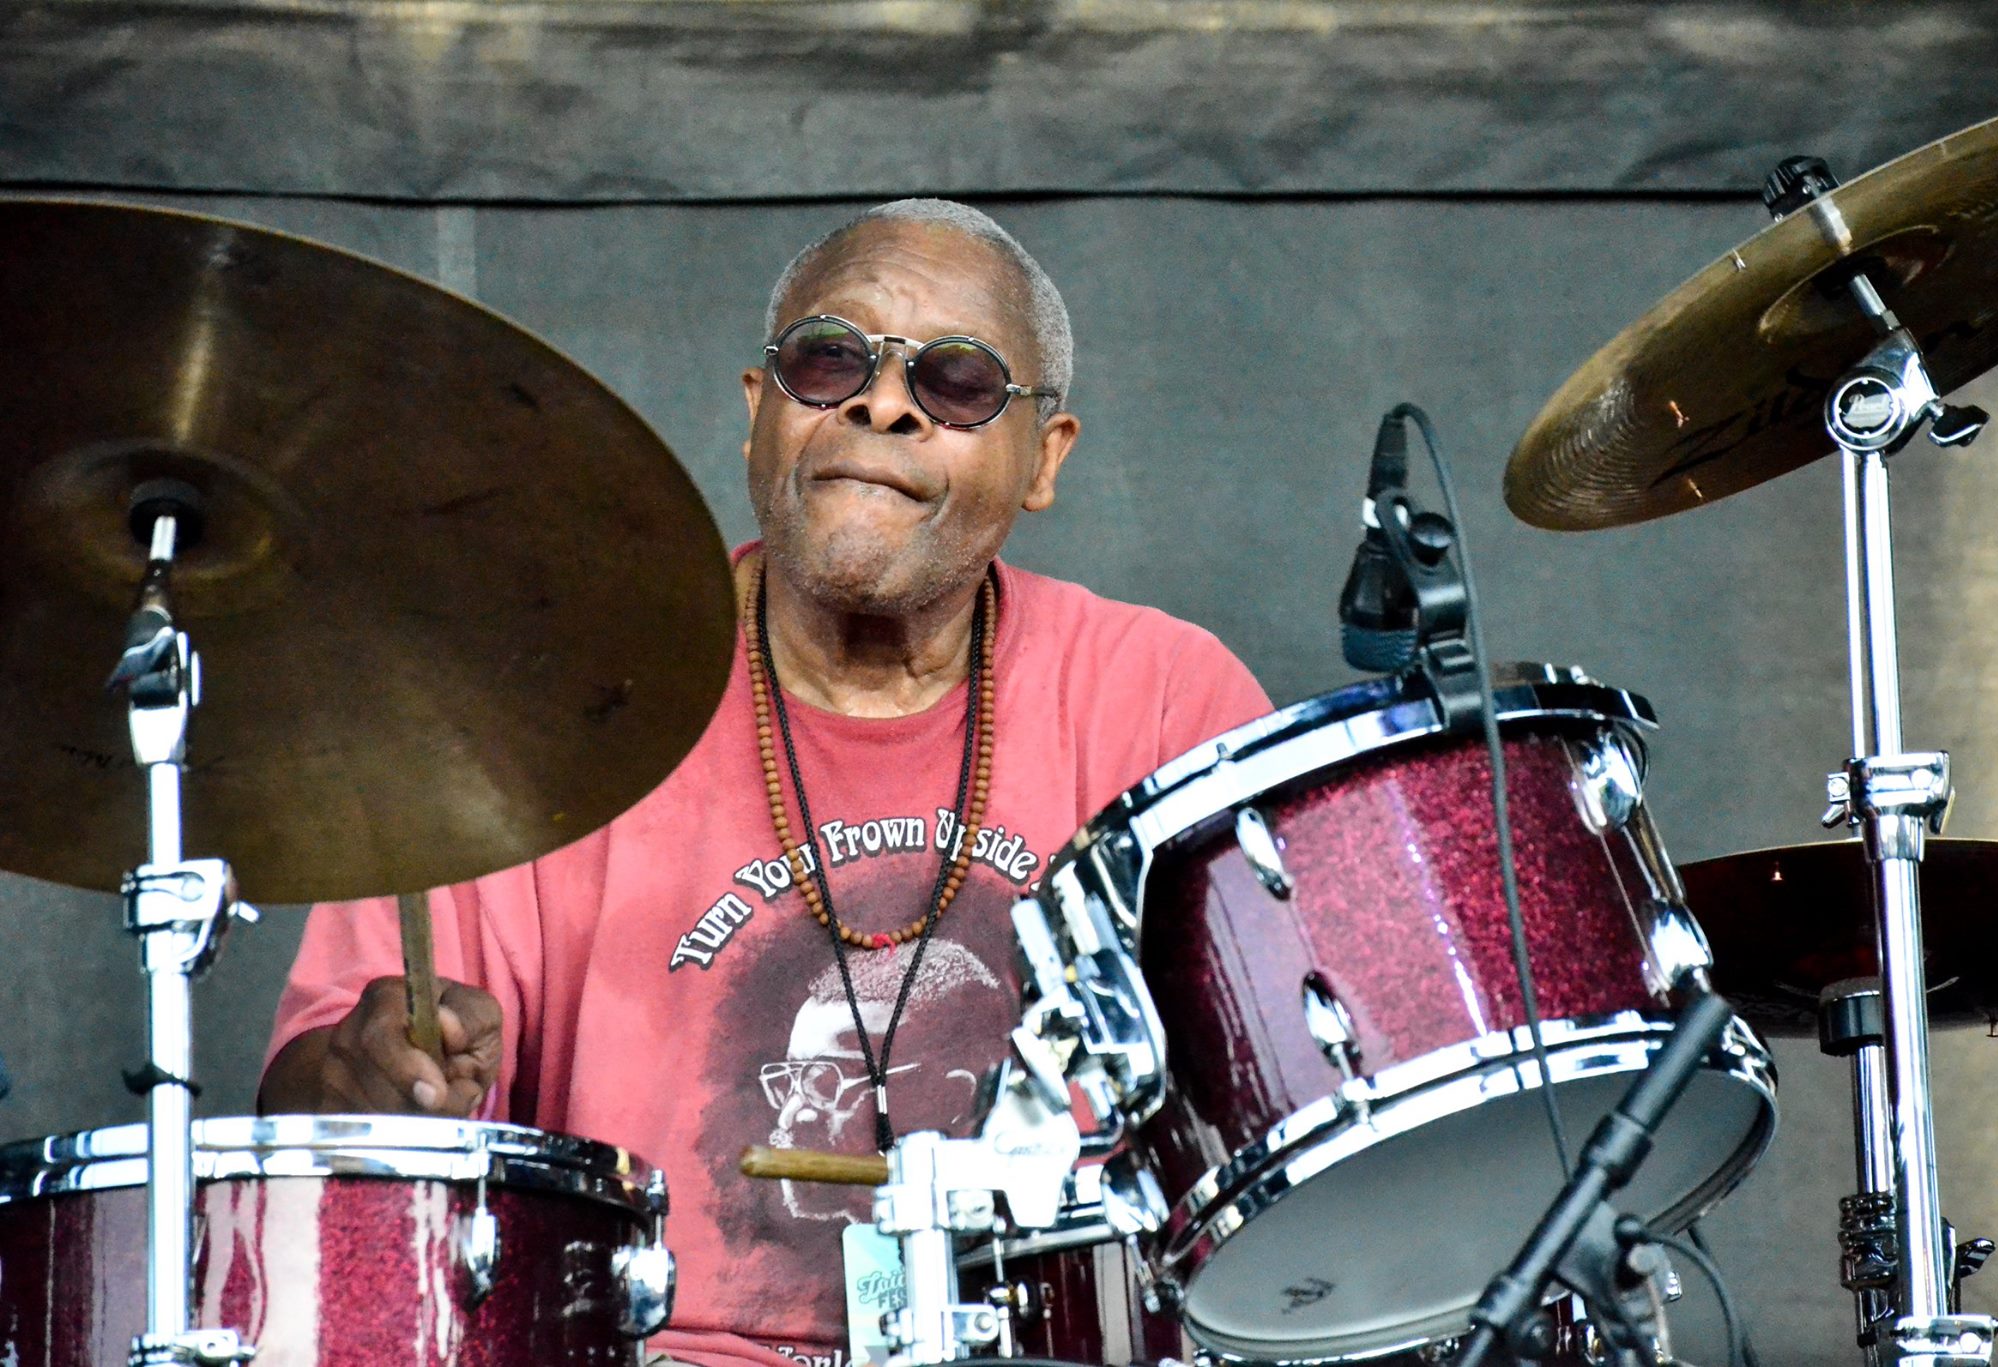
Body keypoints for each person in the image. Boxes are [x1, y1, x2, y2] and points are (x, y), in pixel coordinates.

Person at [259, 198, 1271, 1367]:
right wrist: (363, 1077)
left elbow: (1285, 1138)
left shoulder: (1162, 699)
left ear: (1043, 457)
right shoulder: (547, 703)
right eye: (828, 357)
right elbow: (310, 1134)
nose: (879, 401)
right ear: (758, 413)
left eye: (953, 380)